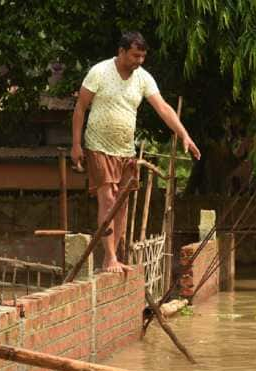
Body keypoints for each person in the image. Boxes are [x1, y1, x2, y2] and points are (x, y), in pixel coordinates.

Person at [71, 32, 201, 273]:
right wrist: (76, 144)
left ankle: (115, 256)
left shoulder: (143, 78)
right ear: (121, 52)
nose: (139, 61)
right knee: (108, 199)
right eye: (135, 55)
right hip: (98, 145)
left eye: (142, 56)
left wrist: (184, 134)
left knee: (122, 204)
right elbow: (80, 108)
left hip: (126, 150)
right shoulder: (99, 72)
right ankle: (109, 257)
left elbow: (163, 108)